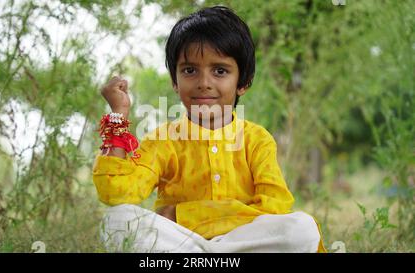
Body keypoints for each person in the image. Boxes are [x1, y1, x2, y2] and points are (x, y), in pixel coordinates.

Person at [93, 6, 326, 253]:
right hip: (183, 244)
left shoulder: (257, 140)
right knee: (117, 221)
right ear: (175, 80)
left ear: (243, 81)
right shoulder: (164, 140)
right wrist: (118, 115)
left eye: (220, 71)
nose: (204, 83)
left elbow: (275, 206)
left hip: (243, 241)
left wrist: (182, 214)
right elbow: (115, 193)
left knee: (302, 228)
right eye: (190, 70)